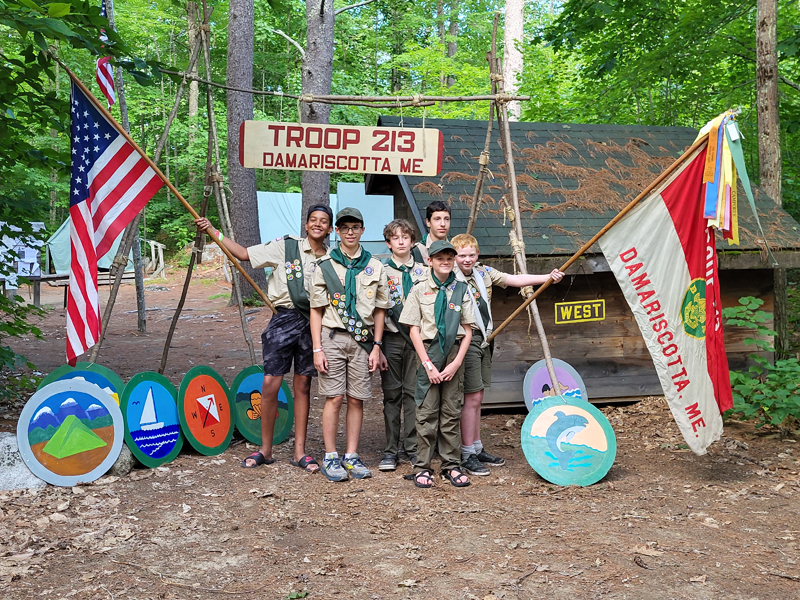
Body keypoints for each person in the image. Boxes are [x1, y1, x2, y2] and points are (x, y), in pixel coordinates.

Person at [195, 205, 333, 473]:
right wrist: (213, 231)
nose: (318, 224)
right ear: (306, 225)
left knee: (303, 385)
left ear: (329, 229)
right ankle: (265, 449)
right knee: (270, 384)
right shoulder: (287, 247)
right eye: (313, 220)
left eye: (324, 221)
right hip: (282, 321)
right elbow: (246, 254)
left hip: (312, 324)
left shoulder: (331, 258)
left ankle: (300, 452)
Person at [450, 233, 565, 476]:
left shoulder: (483, 273)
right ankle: (466, 451)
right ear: (454, 257)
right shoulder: (451, 277)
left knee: (478, 396)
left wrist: (548, 277)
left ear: (477, 254)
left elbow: (514, 279)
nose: (467, 260)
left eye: (471, 255)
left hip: (485, 338)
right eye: (462, 256)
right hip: (464, 339)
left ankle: (477, 446)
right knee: (470, 397)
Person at [310, 208, 390, 482]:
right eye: (344, 228)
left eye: (355, 227)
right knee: (334, 397)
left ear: (363, 230)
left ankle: (351, 455)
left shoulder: (375, 266)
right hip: (332, 338)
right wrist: (316, 348)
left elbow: (380, 309)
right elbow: (316, 311)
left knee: (357, 399)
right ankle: (331, 456)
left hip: (363, 342)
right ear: (337, 231)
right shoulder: (325, 266)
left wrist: (377, 346)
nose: (350, 232)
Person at [399, 240, 475, 488]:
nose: (445, 262)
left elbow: (468, 331)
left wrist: (455, 364)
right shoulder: (419, 289)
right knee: (426, 412)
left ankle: (451, 465)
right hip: (428, 353)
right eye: (440, 258)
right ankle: (422, 466)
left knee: (451, 412)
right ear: (429, 261)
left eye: (449, 258)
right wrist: (427, 364)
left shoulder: (461, 289)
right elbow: (413, 330)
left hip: (453, 353)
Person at [379, 219, 427, 471]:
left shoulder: (423, 270)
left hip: (416, 340)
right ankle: (389, 450)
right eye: (395, 238)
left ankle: (411, 446)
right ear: (388, 243)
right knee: (391, 394)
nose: (400, 241)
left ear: (411, 241)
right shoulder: (380, 270)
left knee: (412, 393)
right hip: (392, 339)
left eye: (405, 237)